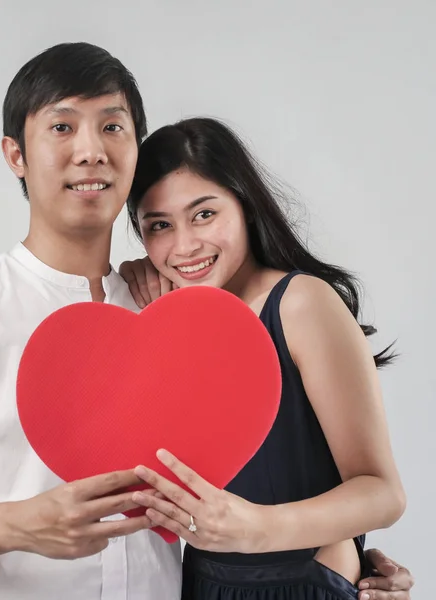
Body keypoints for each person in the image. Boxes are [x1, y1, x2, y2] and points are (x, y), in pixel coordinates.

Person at [0, 41, 413, 600]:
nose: (91, 150)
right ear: (14, 155)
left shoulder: (171, 312)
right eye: (61, 127)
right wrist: (23, 523)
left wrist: (346, 564)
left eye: (113, 127)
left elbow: (277, 463)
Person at [119, 116, 410, 600]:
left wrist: (257, 527)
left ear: (245, 206)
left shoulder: (300, 303)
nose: (185, 245)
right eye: (159, 226)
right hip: (200, 585)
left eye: (205, 214)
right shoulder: (174, 319)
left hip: (300, 585)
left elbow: (382, 492)